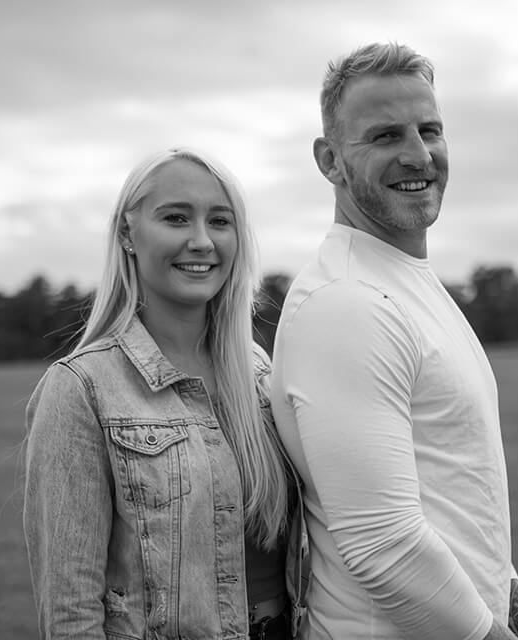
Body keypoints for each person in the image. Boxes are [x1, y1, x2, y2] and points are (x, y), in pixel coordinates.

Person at [268, 43, 518, 640]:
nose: (418, 154)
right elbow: (385, 546)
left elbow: (460, 512)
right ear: (329, 160)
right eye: (385, 136)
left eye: (430, 130)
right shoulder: (346, 303)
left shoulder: (402, 280)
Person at [23, 148, 306, 640]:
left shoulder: (261, 374)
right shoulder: (82, 388)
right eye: (176, 218)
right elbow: (70, 609)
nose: (201, 241)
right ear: (127, 234)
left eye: (220, 221)